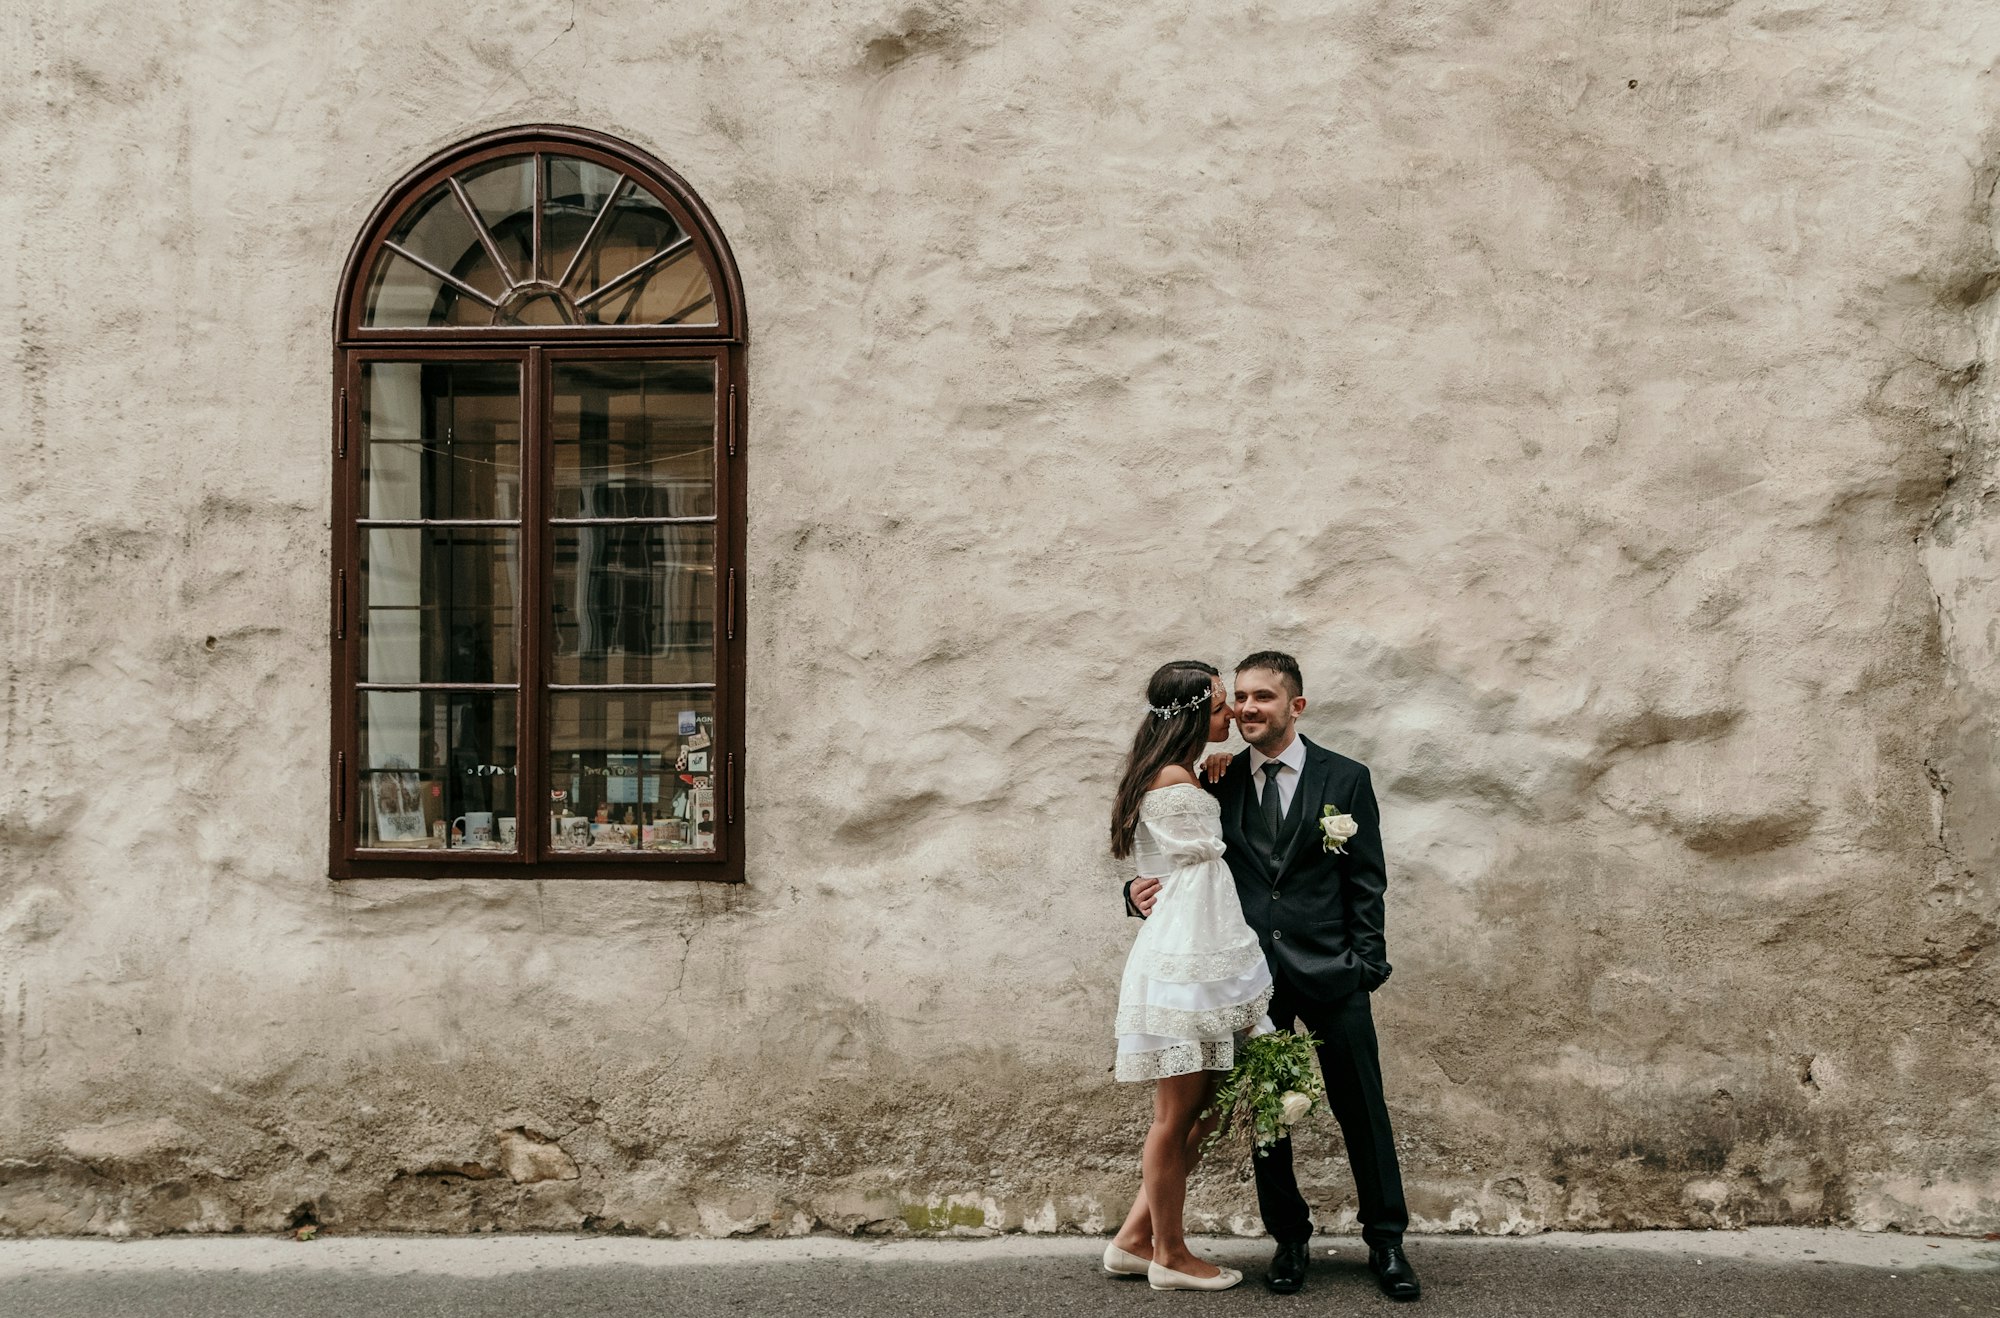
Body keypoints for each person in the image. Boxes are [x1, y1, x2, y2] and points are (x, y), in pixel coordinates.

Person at [1126, 651, 1420, 1301]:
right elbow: (1173, 860)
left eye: (1263, 696)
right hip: (1249, 977)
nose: (1249, 708)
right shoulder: (1215, 778)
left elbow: (1366, 878)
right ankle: (1289, 1242)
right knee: (1267, 1116)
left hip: (1334, 973)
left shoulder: (1346, 778)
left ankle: (1388, 1242)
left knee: (1361, 1110)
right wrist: (1134, 893)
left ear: (1296, 706)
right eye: (1240, 697)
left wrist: (1366, 965)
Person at [1102, 660, 1274, 1293]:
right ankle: (1169, 1255)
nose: (1232, 715)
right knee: (1176, 1116)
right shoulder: (1175, 780)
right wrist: (1207, 779)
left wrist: (1208, 773)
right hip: (1189, 956)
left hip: (1197, 950)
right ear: (1196, 711)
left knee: (1211, 1105)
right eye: (1223, 704)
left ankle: (1132, 1239)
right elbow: (1199, 860)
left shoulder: (1178, 775)